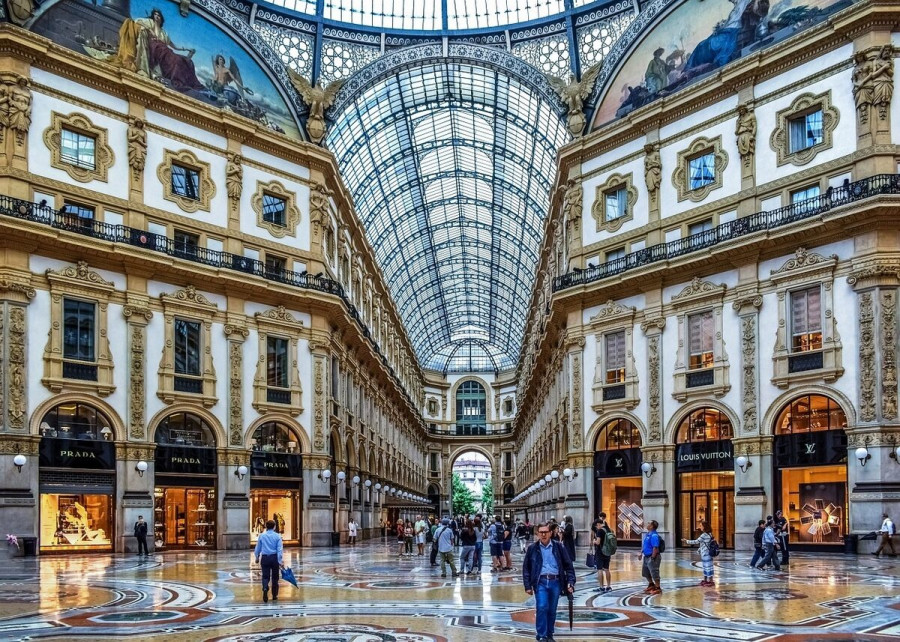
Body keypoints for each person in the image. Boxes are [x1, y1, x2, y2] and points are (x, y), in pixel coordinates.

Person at [522, 521, 576, 642]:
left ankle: (549, 634)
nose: (543, 535)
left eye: (546, 532)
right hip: (540, 582)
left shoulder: (559, 547)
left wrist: (571, 581)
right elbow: (526, 568)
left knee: (552, 609)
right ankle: (541, 634)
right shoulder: (532, 548)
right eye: (541, 532)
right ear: (537, 534)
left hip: (556, 582)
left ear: (551, 533)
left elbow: (568, 566)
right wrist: (527, 586)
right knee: (542, 607)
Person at [254, 519, 284, 603]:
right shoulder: (277, 536)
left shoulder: (262, 536)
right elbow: (279, 550)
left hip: (265, 558)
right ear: (274, 527)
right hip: (274, 558)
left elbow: (258, 547)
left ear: (266, 527)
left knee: (265, 576)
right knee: (275, 577)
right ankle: (274, 595)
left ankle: (265, 587)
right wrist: (280, 561)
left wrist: (257, 557)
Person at [683, 520, 715, 587]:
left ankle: (710, 581)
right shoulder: (710, 534)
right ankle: (706, 580)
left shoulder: (704, 535)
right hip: (708, 553)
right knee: (708, 567)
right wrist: (699, 550)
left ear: (704, 527)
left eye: (701, 526)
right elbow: (704, 544)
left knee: (707, 567)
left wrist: (686, 541)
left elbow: (696, 541)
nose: (700, 527)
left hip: (706, 554)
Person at [640, 520, 662, 594]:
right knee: (646, 572)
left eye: (649, 523)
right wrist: (641, 553)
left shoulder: (654, 535)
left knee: (654, 572)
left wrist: (652, 558)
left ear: (652, 526)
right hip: (646, 556)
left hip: (653, 557)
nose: (647, 524)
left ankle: (658, 587)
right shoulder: (648, 534)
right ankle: (651, 584)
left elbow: (655, 547)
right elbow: (645, 545)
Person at [592, 513, 613, 593]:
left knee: (600, 569)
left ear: (598, 524)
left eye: (596, 526)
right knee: (607, 569)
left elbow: (598, 542)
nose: (596, 528)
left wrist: (594, 541)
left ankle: (601, 587)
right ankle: (608, 586)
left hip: (600, 552)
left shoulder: (600, 531)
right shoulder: (608, 529)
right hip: (607, 552)